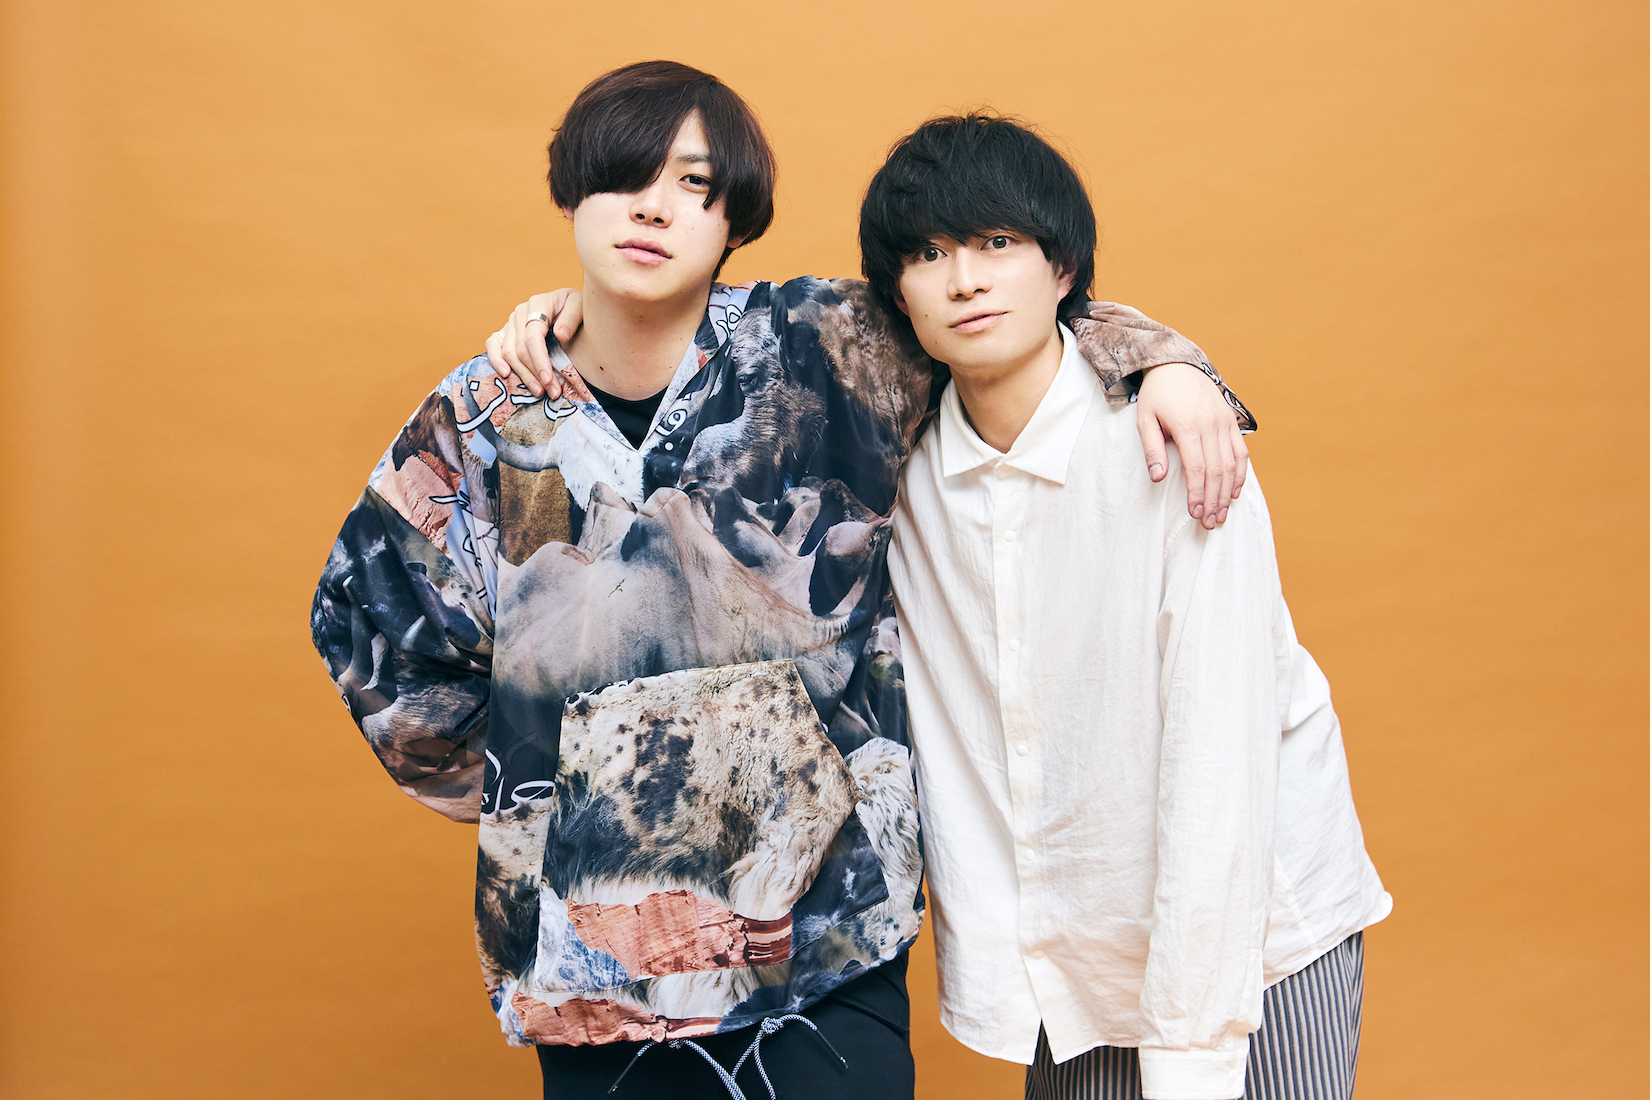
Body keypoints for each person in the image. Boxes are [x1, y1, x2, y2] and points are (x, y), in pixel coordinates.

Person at [312, 62, 1247, 1100]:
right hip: (593, 967)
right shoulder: (484, 414)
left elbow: (1006, 320)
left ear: (734, 222)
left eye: (695, 186)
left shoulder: (825, 347)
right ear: (572, 195)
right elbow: (370, 628)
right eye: (627, 177)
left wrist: (1166, 361)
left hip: (827, 937)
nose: (656, 209)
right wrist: (560, 774)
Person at [856, 114, 1391, 1100]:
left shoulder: (1176, 454)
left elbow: (1219, 761)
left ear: (1062, 268)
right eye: (929, 254)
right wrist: (572, 316)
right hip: (1068, 955)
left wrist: (1190, 1047)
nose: (964, 279)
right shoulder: (894, 472)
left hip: (1259, 932)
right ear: (898, 293)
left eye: (997, 242)